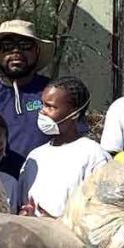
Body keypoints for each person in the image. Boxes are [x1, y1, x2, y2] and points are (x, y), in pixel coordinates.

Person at [19, 78, 110, 217]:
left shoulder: (93, 155)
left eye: (51, 107)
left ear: (74, 112)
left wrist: (57, 224)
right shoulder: (35, 156)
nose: (42, 112)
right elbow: (24, 202)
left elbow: (100, 211)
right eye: (42, 105)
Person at [0, 20, 53, 164]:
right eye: (7, 46)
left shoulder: (55, 93)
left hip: (44, 182)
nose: (16, 52)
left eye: (25, 46)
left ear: (37, 52)